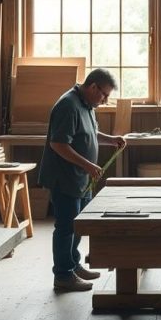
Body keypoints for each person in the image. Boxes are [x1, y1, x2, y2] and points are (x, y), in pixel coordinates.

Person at [38, 68, 127, 291]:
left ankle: (74, 265)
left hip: (81, 178)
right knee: (66, 227)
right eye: (104, 95)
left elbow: (90, 133)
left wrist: (111, 140)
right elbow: (58, 144)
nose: (105, 100)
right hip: (65, 178)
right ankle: (63, 275)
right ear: (93, 87)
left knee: (78, 225)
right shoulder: (68, 105)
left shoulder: (87, 104)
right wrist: (88, 165)